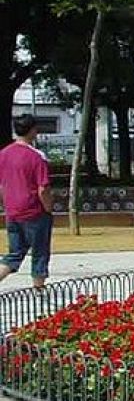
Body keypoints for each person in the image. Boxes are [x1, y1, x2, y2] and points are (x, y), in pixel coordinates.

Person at [0, 115, 55, 289]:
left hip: (12, 210)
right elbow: (43, 188)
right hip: (34, 211)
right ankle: (38, 288)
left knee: (15, 253)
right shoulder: (36, 156)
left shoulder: (4, 154)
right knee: (40, 252)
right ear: (33, 130)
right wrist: (48, 208)